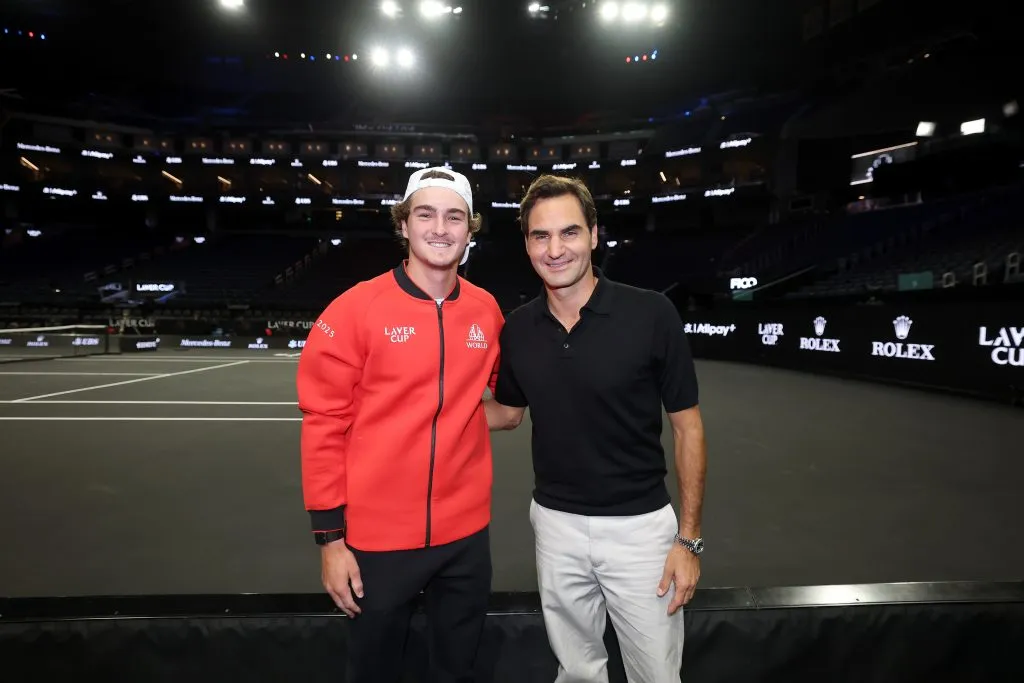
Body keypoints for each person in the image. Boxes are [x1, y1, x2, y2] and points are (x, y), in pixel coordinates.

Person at [484, 174, 707, 683]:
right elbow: (508, 411)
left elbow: (688, 429)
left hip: (641, 531)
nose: (555, 248)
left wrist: (688, 541)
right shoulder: (518, 327)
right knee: (578, 671)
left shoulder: (651, 313)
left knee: (656, 675)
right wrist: (414, 409)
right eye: (541, 236)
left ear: (594, 234)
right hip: (555, 525)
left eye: (569, 232)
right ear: (526, 244)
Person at [296, 167, 504, 683]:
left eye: (454, 216)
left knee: (456, 670)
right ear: (404, 225)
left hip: (466, 540)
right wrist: (330, 541)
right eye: (426, 214)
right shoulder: (354, 309)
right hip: (377, 544)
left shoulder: (487, 311)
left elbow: (507, 400)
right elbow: (322, 425)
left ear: (469, 230)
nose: (440, 227)